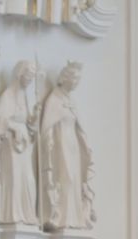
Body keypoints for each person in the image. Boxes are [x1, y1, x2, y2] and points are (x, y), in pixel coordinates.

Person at [40, 61, 96, 230]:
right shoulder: (54, 99)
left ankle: (76, 218)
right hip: (60, 145)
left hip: (73, 145)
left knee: (75, 180)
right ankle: (61, 217)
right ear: (65, 78)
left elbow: (79, 128)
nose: (76, 82)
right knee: (66, 178)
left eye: (78, 79)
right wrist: (48, 140)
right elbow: (47, 125)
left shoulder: (71, 101)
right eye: (74, 78)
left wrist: (85, 145)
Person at [0, 60, 39, 227]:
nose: (30, 79)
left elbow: (29, 125)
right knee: (14, 178)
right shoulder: (8, 95)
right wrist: (14, 128)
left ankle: (27, 214)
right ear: (20, 74)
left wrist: (35, 117)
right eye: (28, 75)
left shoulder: (25, 97)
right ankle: (12, 215)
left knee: (28, 180)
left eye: (33, 77)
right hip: (11, 145)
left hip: (24, 146)